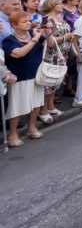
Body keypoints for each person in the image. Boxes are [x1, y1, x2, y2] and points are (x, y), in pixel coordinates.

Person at [2, 12, 46, 147]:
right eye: (24, 21)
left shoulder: (34, 34)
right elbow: (19, 54)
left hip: (37, 75)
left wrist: (47, 33)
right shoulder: (9, 40)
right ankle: (12, 135)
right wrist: (35, 40)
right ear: (14, 25)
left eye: (28, 20)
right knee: (17, 107)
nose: (28, 23)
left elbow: (49, 44)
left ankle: (31, 128)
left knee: (36, 103)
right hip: (19, 78)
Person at [40, 0, 72, 118]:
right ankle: (43, 110)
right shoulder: (47, 20)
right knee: (48, 83)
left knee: (55, 82)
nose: (62, 5)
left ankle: (50, 106)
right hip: (51, 56)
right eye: (59, 3)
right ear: (52, 5)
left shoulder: (60, 18)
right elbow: (49, 41)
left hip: (61, 56)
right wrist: (66, 38)